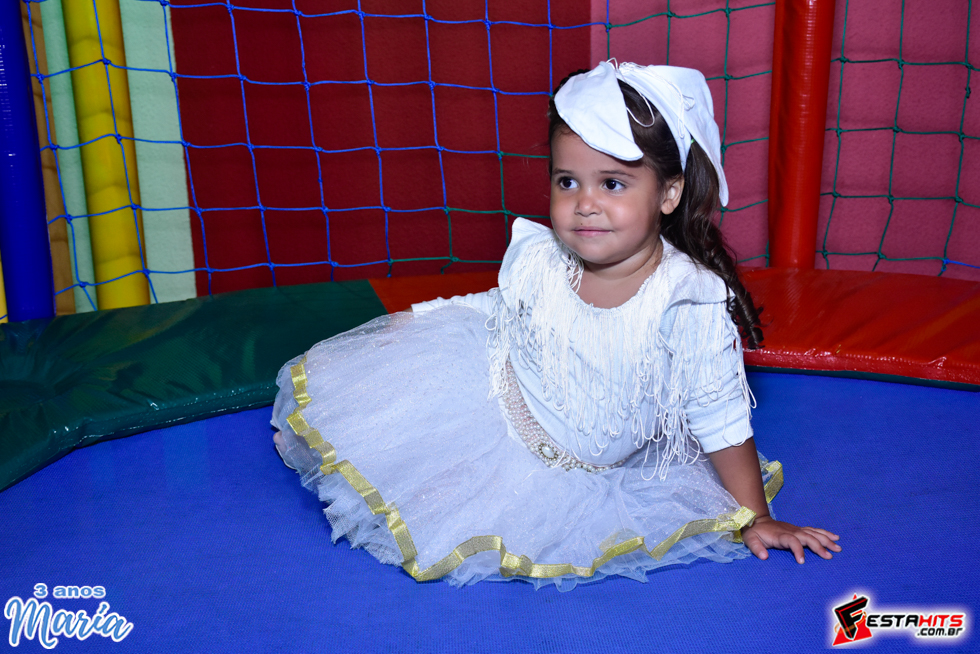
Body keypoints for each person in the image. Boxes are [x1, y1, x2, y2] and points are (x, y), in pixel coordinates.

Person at [272, 60, 840, 590]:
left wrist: (754, 517)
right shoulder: (545, 256)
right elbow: (501, 306)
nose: (584, 203)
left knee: (474, 510)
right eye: (567, 181)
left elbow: (718, 411)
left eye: (612, 184)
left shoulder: (684, 299)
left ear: (669, 193)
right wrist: (422, 317)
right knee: (397, 441)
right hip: (499, 392)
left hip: (585, 466)